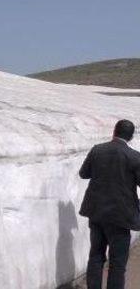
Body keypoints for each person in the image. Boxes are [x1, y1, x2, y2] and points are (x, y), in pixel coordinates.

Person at [79, 119, 140, 289]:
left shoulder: (97, 150)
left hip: (97, 212)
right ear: (131, 137)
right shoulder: (135, 157)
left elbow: (84, 174)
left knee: (96, 256)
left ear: (114, 131)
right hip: (121, 217)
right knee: (118, 263)